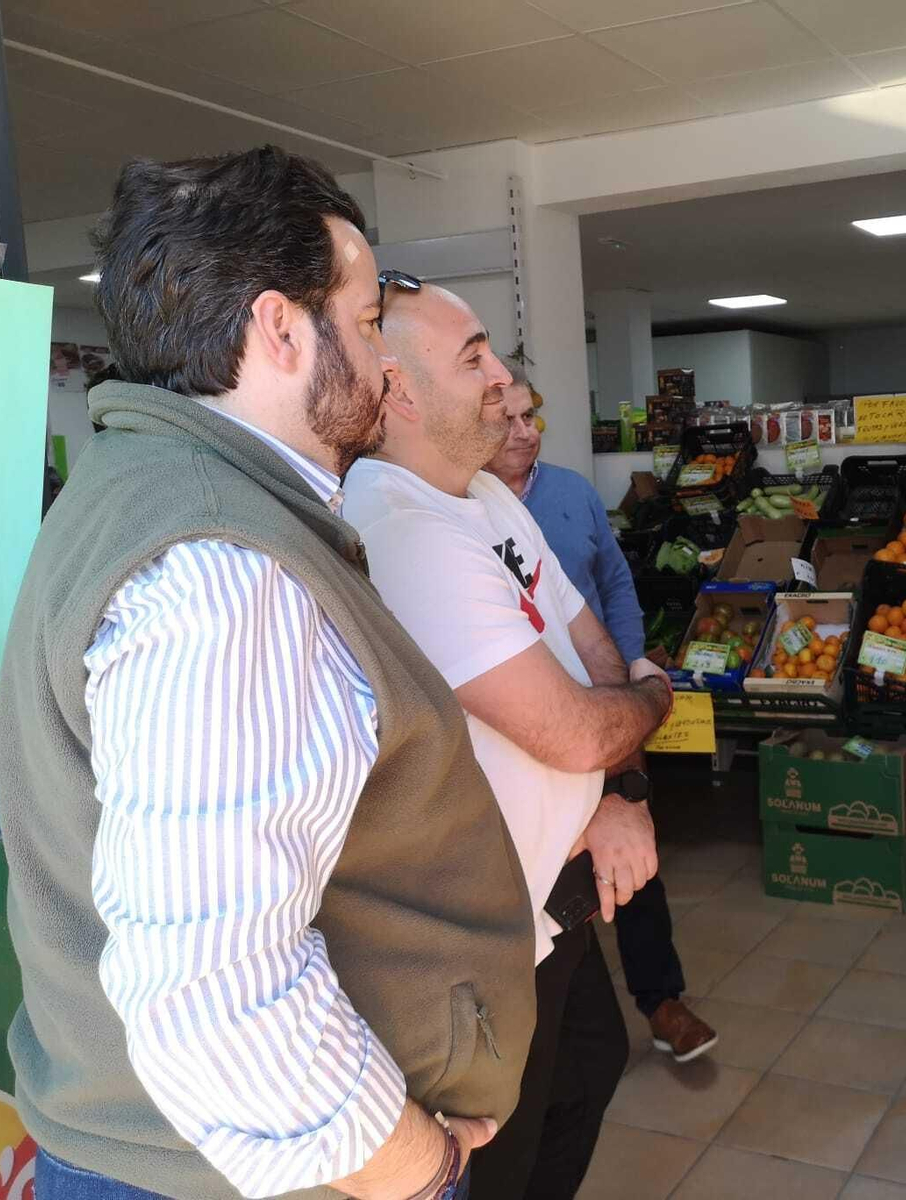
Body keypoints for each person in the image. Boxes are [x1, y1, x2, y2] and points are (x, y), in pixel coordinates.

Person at [0, 147, 534, 1200]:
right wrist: (414, 1169)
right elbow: (214, 991)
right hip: (255, 1178)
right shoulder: (219, 570)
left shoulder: (149, 490)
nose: (384, 365)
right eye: (369, 320)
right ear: (281, 328)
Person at [343, 282, 674, 1199]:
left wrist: (623, 793)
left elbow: (587, 638)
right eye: (475, 358)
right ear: (400, 391)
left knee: (587, 1075)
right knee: (501, 1154)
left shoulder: (486, 494)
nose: (503, 380)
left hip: (555, 886)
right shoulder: (398, 525)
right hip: (477, 936)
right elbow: (573, 725)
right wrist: (650, 706)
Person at [484, 367, 720, 1065]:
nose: (526, 433)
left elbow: (613, 581)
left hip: (607, 704)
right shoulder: (462, 511)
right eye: (510, 420)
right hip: (523, 719)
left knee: (629, 836)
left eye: (534, 418)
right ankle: (548, 1015)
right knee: (552, 854)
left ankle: (662, 999)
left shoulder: (572, 495)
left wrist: (625, 664)